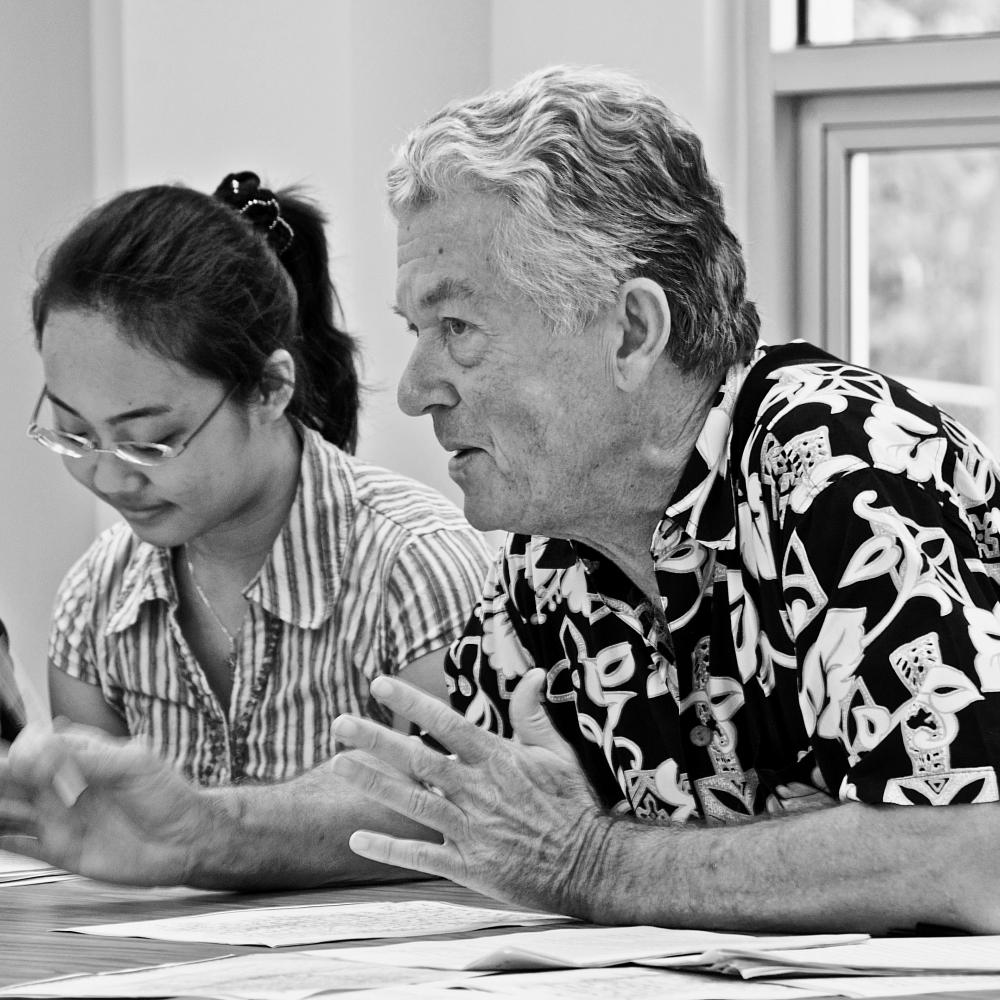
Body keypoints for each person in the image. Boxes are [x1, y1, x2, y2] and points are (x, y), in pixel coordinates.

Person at [3, 68, 1000, 932]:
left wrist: (587, 861)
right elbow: (442, 797)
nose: (416, 386)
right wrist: (198, 830)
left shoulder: (838, 467)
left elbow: (972, 846)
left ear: (629, 331)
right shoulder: (553, 544)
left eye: (460, 329)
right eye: (415, 330)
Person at [23, 170, 491, 785]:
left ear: (270, 388)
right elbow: (104, 839)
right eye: (74, 434)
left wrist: (199, 835)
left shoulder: (413, 567)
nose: (109, 478)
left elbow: (460, 819)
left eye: (150, 442)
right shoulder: (97, 602)